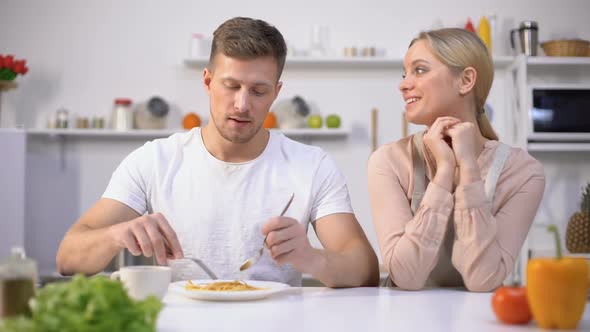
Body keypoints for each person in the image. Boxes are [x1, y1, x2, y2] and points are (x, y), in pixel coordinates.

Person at [56, 17, 379, 287]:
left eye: (258, 91)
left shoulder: (311, 165)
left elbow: (365, 271)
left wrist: (312, 257)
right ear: (208, 81)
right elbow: (68, 258)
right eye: (231, 86)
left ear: (276, 93)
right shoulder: (155, 160)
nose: (242, 104)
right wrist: (115, 234)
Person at [368, 28, 545, 292]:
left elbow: (483, 280)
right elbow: (406, 277)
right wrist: (443, 175)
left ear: (465, 80)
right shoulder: (388, 160)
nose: (403, 84)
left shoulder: (523, 172)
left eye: (419, 70)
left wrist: (469, 171)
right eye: (405, 73)